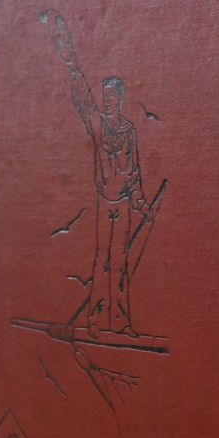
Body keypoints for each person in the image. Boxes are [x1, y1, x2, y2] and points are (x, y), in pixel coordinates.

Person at [69, 68, 150, 338]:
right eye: (105, 95)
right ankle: (95, 319)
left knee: (120, 262)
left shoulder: (130, 132)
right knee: (102, 261)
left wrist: (141, 204)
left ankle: (120, 321)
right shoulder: (98, 125)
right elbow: (83, 105)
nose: (107, 100)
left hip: (124, 204)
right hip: (105, 202)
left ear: (120, 98)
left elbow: (134, 171)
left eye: (112, 95)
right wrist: (76, 74)